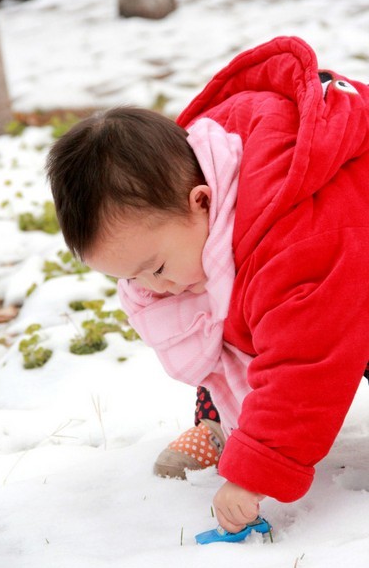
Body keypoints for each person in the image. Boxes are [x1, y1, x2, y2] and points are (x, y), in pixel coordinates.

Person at [47, 36, 369, 534]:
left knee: (297, 326)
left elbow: (305, 364)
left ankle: (252, 435)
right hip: (320, 281)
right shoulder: (198, 214)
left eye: (154, 267)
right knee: (208, 303)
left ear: (201, 201)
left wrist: (254, 472)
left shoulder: (294, 241)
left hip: (350, 279)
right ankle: (218, 422)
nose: (153, 287)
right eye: (130, 277)